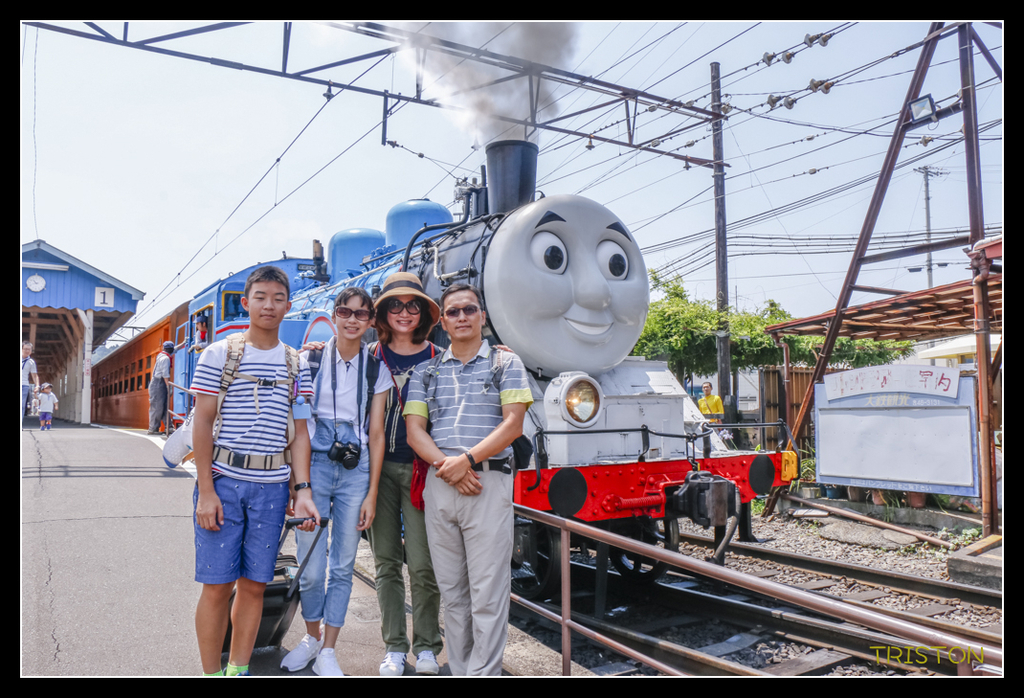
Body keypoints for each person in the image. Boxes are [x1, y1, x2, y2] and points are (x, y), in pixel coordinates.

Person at [190, 266, 319, 677]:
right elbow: (202, 422)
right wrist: (206, 491)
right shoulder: (220, 354)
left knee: (255, 586)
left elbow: (300, 434)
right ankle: (212, 672)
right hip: (224, 483)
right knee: (217, 588)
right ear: (246, 303)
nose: (269, 305)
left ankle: (238, 670)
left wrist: (302, 490)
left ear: (288, 304)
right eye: (260, 297)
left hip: (272, 486)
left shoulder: (297, 365)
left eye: (277, 298)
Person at [403, 283, 532, 676]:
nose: (461, 317)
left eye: (469, 310)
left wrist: (469, 459)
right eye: (453, 312)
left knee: (488, 593)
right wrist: (451, 466)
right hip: (442, 486)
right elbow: (414, 431)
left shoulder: (506, 364)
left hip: (487, 484)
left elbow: (513, 425)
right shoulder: (425, 370)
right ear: (442, 321)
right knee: (454, 593)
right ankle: (460, 669)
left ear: (482, 316)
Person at [280, 287, 390, 677]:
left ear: (371, 321)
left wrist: (372, 492)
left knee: (342, 565)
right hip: (314, 464)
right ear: (334, 314)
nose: (352, 319)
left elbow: (376, 434)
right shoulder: (307, 360)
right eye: (345, 311)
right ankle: (310, 637)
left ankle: (328, 649)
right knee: (310, 564)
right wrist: (300, 484)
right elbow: (297, 428)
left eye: (362, 314)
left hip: (355, 470)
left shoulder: (377, 370)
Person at [366, 272, 444, 676]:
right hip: (378, 469)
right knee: (385, 562)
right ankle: (394, 646)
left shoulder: (437, 357)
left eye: (413, 305)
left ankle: (428, 644)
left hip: (420, 472)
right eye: (394, 304)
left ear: (423, 313)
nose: (404, 312)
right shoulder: (369, 357)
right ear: (382, 312)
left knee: (422, 563)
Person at [148, 341, 173, 434]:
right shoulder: (166, 358)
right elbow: (165, 375)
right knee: (157, 406)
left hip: (158, 383)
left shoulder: (162, 355)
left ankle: (168, 426)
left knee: (163, 405)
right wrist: (168, 387)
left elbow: (175, 350)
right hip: (159, 383)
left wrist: (183, 343)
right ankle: (153, 428)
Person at [22, 341, 39, 427]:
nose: (27, 351)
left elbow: (35, 375)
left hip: (24, 385)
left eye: (29, 349)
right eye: (25, 349)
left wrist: (37, 385)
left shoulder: (31, 362)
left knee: (21, 405)